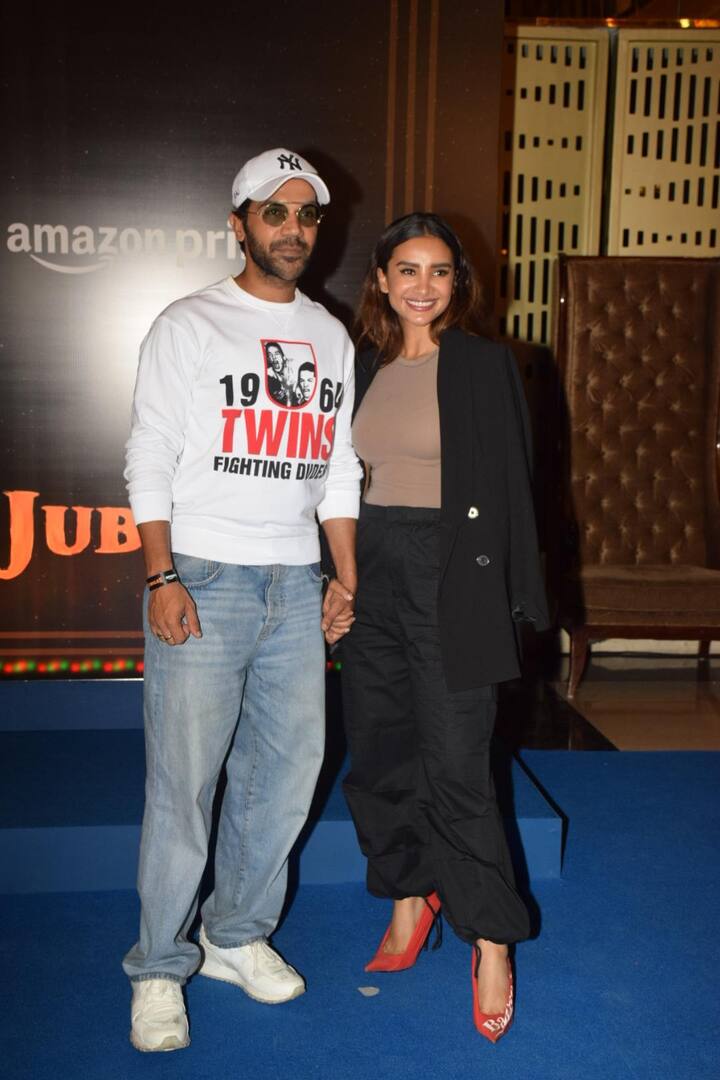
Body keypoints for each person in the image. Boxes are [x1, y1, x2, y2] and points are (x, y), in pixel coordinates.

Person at [122, 147, 361, 1053]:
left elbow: (337, 467)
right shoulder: (191, 323)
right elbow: (149, 452)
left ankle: (235, 936)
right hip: (205, 580)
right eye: (276, 213)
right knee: (183, 787)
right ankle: (157, 965)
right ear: (240, 223)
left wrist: (344, 575)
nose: (294, 229)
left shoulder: (330, 334)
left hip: (297, 586)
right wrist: (161, 573)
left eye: (307, 215)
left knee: (286, 776)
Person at [342, 212, 549, 1043]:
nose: (422, 286)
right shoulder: (362, 364)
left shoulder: (484, 365)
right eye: (406, 270)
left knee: (459, 763)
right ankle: (407, 898)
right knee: (382, 747)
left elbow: (515, 486)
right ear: (383, 281)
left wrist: (519, 599)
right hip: (374, 568)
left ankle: (490, 938)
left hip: (453, 573)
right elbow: (336, 486)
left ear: (457, 283)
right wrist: (340, 577)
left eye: (439, 272)